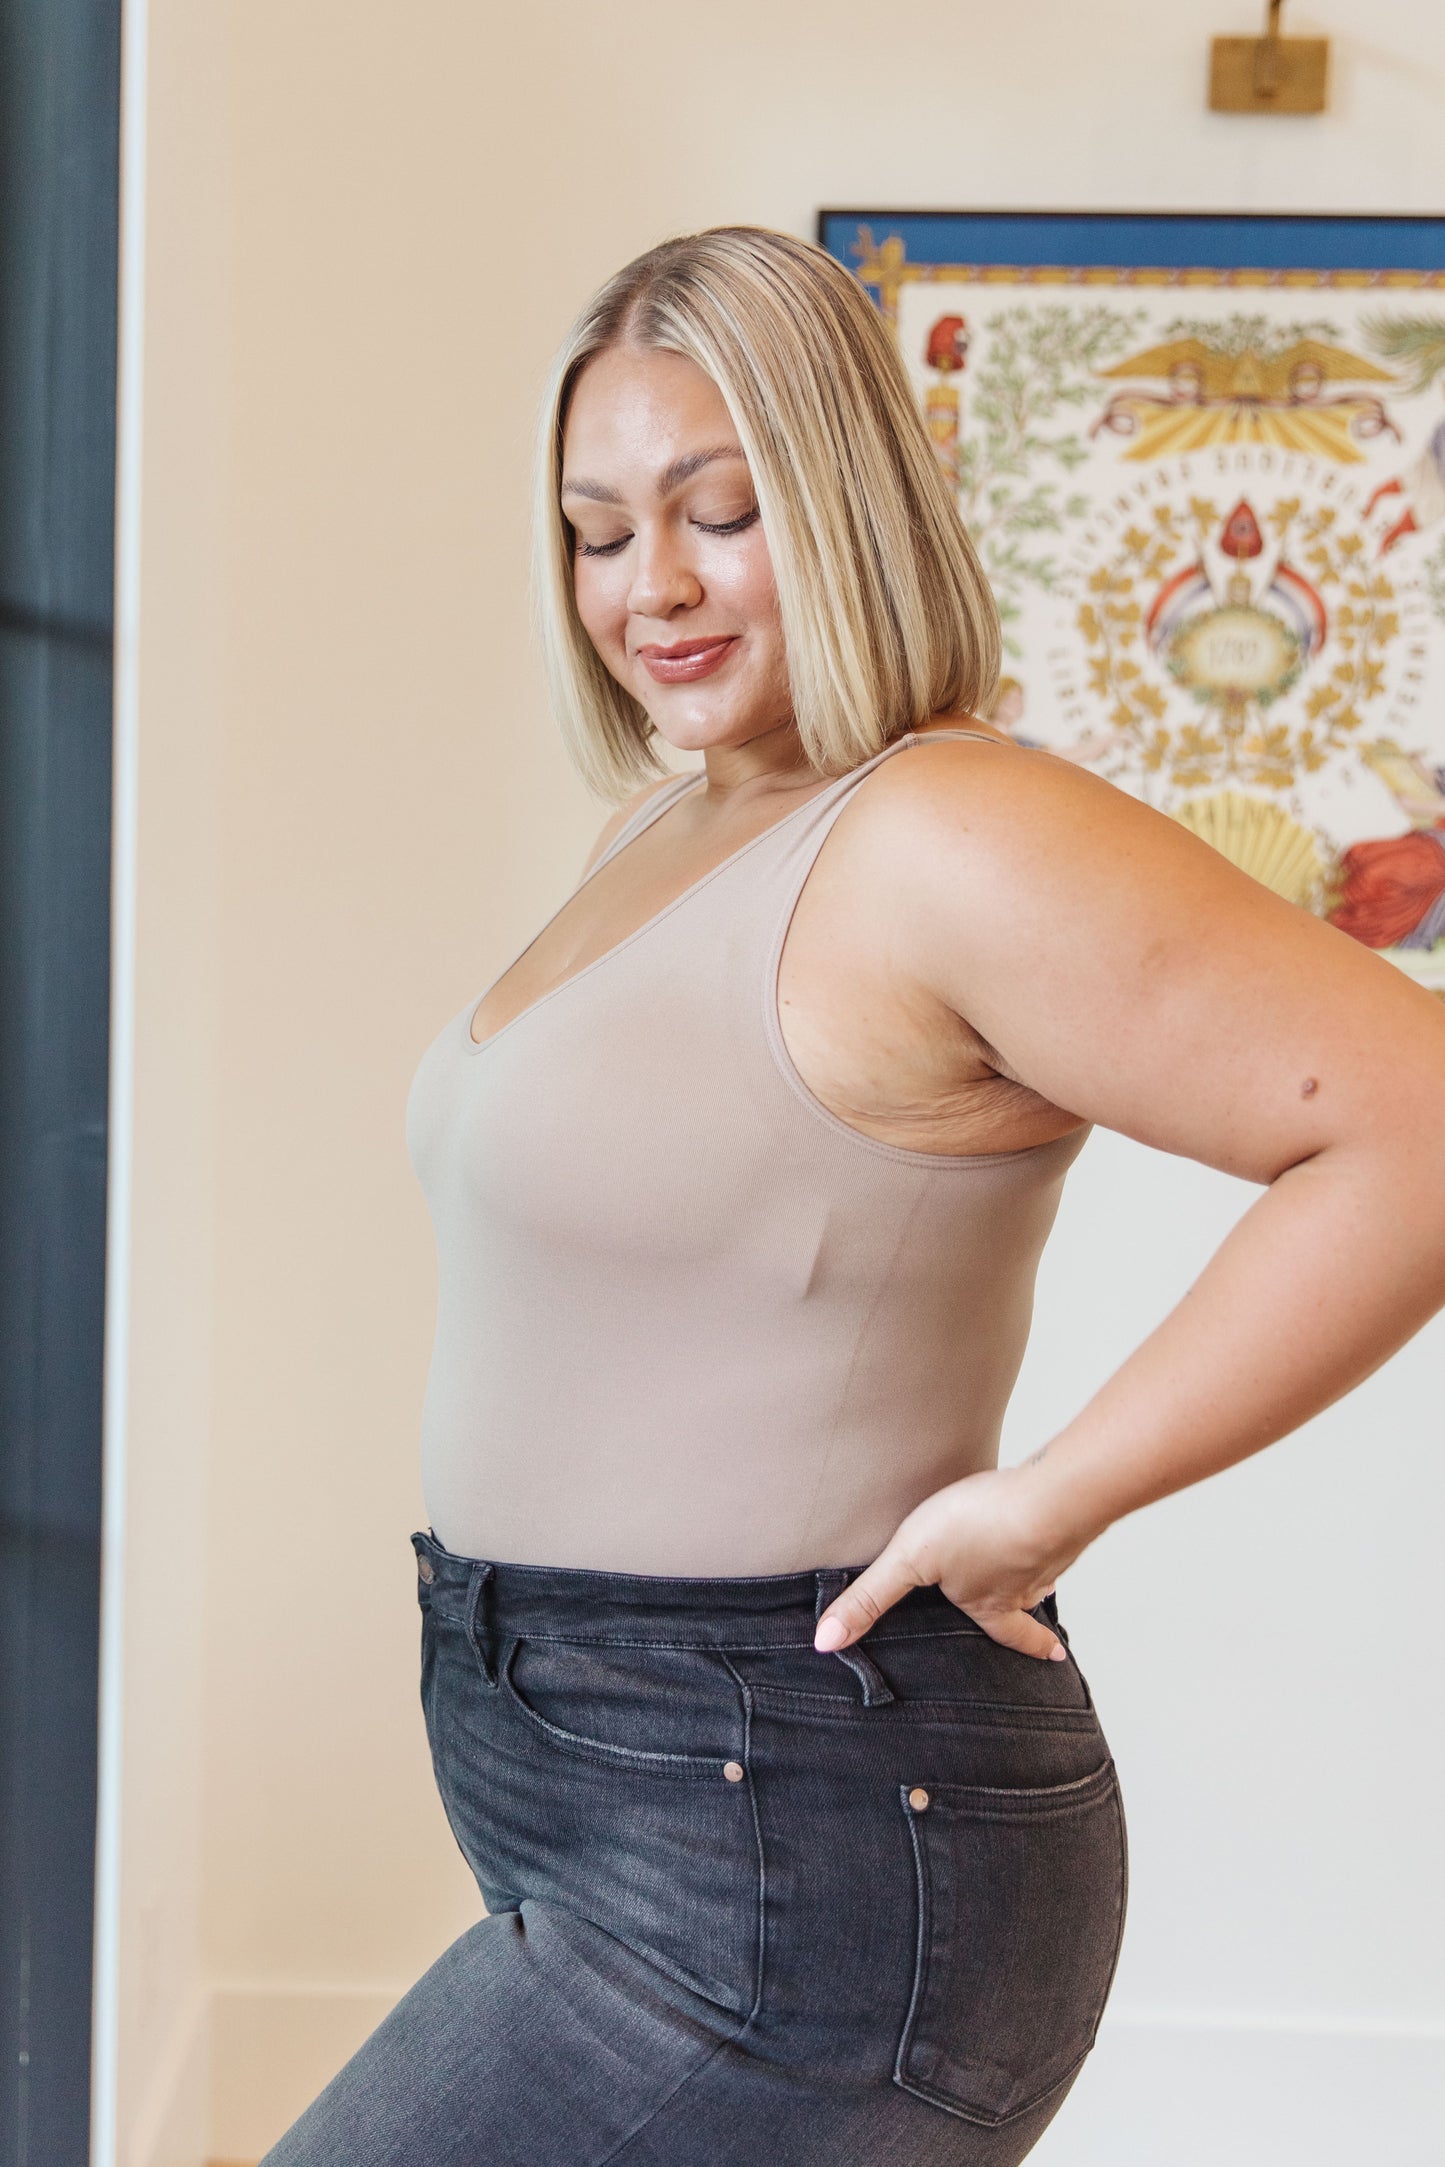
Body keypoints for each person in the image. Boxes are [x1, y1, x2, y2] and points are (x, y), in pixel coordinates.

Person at [264, 228, 1445, 2167]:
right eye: (595, 529)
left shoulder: (947, 832)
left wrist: (1052, 1497)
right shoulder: (670, 820)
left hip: (786, 1830)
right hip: (604, 1780)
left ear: (847, 501)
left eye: (718, 513)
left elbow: (1415, 1123)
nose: (650, 584)